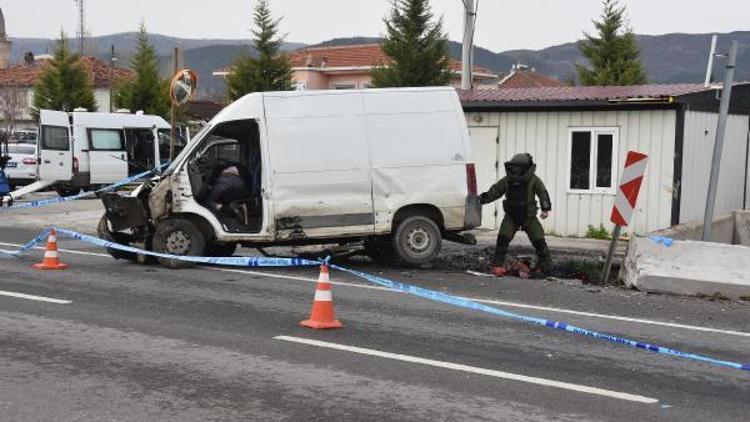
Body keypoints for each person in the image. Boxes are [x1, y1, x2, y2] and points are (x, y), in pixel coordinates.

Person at [479, 153, 552, 276]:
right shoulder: (507, 180)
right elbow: (495, 191)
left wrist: (545, 209)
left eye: (518, 167)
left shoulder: (534, 179)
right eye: (514, 167)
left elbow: (543, 194)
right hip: (511, 216)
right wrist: (481, 200)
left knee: (539, 241)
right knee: (502, 239)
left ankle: (547, 267)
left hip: (529, 217)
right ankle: (497, 265)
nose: (515, 170)